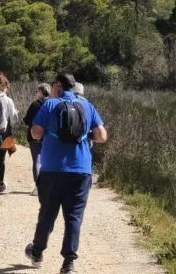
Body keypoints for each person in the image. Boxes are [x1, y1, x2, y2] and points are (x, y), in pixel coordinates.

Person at [24, 73, 107, 274]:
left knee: (47, 214)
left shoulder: (50, 105)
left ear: (59, 86)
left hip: (53, 168)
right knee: (74, 217)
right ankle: (68, 263)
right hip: (81, 170)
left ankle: (37, 253)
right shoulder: (87, 106)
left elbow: (35, 132)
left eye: (53, 85)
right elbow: (102, 136)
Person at [23, 83, 52, 193]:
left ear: (41, 91)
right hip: (49, 137)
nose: (36, 94)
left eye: (37, 91)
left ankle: (38, 186)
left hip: (34, 136)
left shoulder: (35, 105)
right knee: (47, 161)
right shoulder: (53, 104)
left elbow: (27, 120)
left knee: (37, 161)